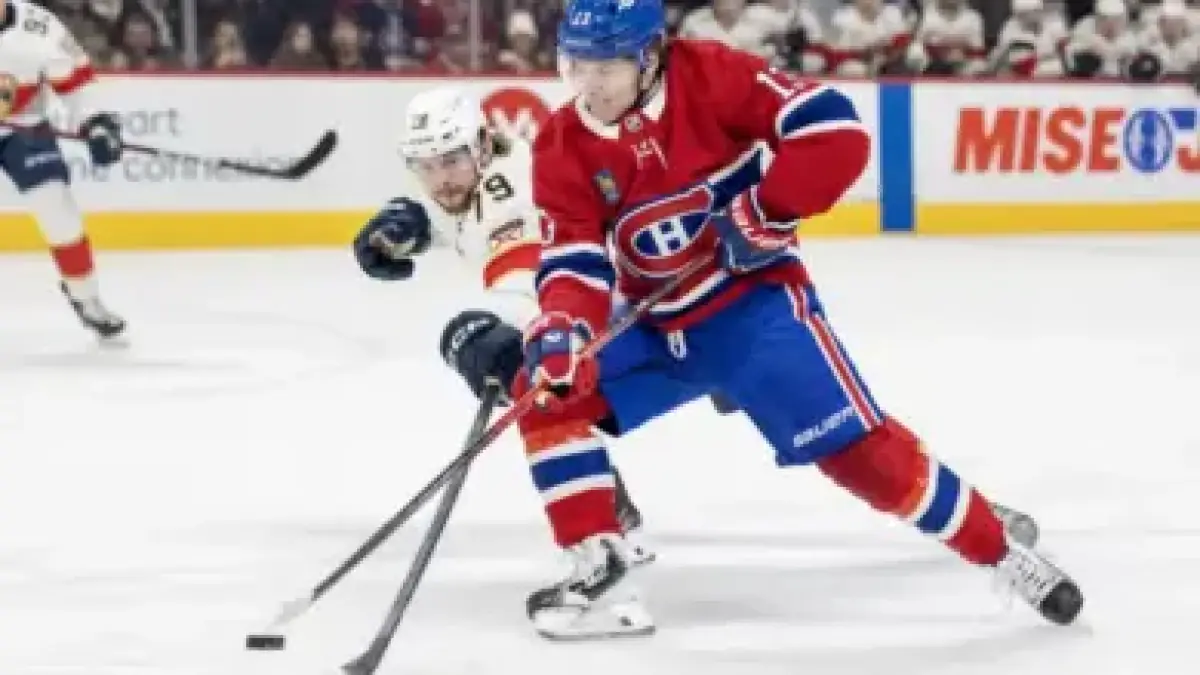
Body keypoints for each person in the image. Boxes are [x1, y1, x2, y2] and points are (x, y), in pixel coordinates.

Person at [514, 0, 1083, 641]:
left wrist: (770, 208)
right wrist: (563, 326)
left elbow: (833, 127)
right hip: (655, 327)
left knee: (861, 457)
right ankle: (601, 562)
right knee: (543, 390)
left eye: (606, 69)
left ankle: (999, 550)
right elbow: (574, 258)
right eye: (576, 67)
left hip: (750, 314)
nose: (589, 86)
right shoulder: (561, 142)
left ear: (649, 59)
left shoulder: (710, 75)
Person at [351, 87, 654, 561]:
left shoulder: (512, 193)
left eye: (451, 161)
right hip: (608, 305)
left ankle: (602, 513)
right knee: (530, 380)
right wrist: (408, 225)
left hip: (628, 310)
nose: (441, 179)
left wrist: (491, 333)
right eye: (426, 166)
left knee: (509, 363)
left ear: (480, 145)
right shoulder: (481, 176)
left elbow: (529, 280)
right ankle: (605, 505)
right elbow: (457, 219)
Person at [0, 0, 126, 339]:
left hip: (24, 127)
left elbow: (78, 84)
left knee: (57, 210)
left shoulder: (38, 27)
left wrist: (96, 124)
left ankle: (85, 296)